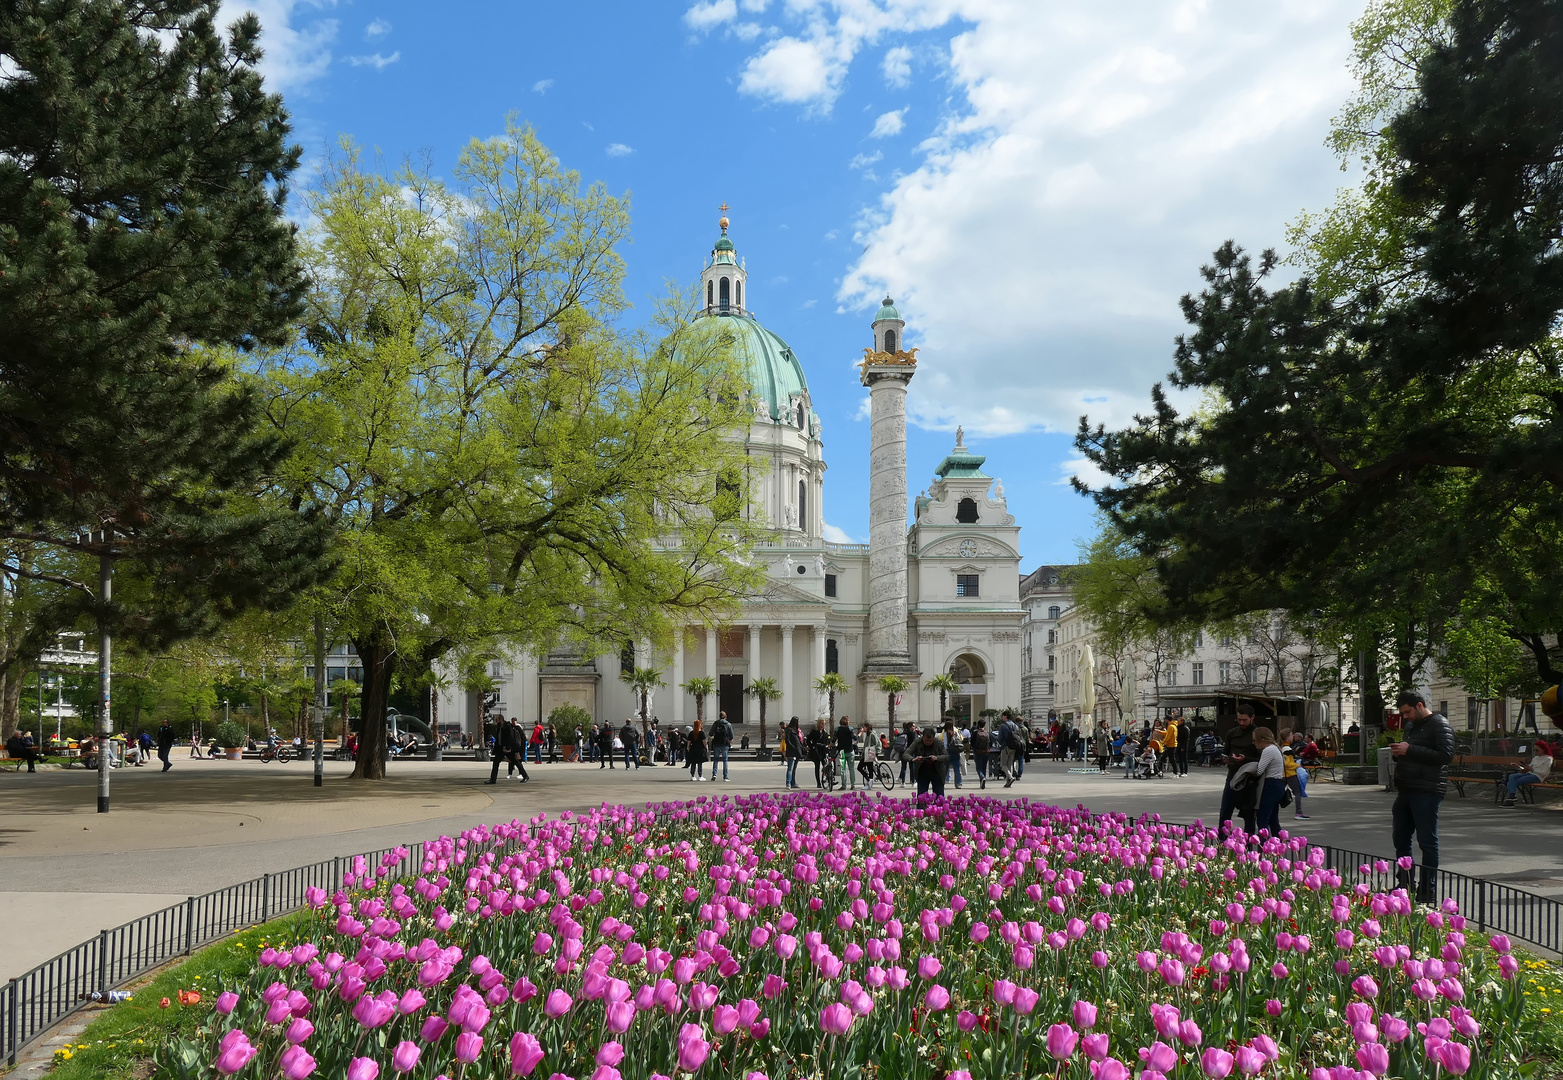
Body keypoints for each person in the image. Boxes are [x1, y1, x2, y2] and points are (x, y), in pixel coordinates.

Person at [1388, 690, 1454, 903]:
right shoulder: (1411, 726)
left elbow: (1445, 755)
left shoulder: (1439, 724)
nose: (1405, 717)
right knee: (1401, 838)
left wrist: (1410, 750)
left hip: (1427, 790)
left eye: (1407, 712)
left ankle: (1427, 891)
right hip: (1406, 789)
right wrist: (1398, 754)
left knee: (1427, 842)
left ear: (1418, 705)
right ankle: (1405, 884)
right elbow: (1411, 752)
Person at [1218, 705, 1260, 834]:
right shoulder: (1232, 733)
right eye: (1239, 719)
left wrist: (1245, 759)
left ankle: (1248, 844)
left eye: (1244, 720)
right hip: (1233, 776)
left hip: (1250, 779)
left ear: (1252, 718)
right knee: (1225, 810)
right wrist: (1227, 759)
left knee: (1248, 813)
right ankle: (1222, 841)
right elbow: (1225, 752)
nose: (1241, 722)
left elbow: (1262, 758)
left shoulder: (1258, 733)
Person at [1253, 727, 1286, 835]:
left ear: (1262, 739)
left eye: (1255, 740)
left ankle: (1264, 846)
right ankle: (1278, 844)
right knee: (1273, 819)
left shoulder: (1268, 750)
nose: (1254, 743)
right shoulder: (1275, 748)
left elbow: (1259, 770)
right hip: (1278, 784)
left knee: (1263, 819)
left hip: (1270, 785)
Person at [1502, 741, 1554, 806]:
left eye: (1537, 750)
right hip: (1529, 774)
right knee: (1512, 776)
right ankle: (1512, 797)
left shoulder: (1548, 759)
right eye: (1534, 750)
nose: (1536, 752)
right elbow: (1526, 769)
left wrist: (1532, 769)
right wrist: (1518, 767)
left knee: (1513, 782)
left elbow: (1544, 773)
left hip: (1537, 777)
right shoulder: (1536, 758)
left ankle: (1511, 798)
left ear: (1543, 749)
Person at [909, 727, 948, 797]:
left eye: (930, 740)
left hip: (937, 771)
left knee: (939, 795)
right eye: (926, 740)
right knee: (921, 795)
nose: (928, 742)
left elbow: (946, 756)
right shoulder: (918, 742)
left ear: (933, 738)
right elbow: (906, 754)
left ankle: (939, 807)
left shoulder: (938, 742)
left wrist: (937, 758)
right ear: (923, 737)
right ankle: (921, 807)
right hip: (922, 771)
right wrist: (913, 759)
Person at [1281, 730, 1309, 819]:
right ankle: (1299, 813)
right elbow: (1287, 764)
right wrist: (1297, 765)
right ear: (1287, 737)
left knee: (1279, 792)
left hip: (1285, 774)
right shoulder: (1287, 749)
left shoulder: (1284, 747)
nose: (1293, 737)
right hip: (1290, 774)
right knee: (1298, 792)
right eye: (1291, 735)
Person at [485, 714, 515, 784]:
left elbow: (510, 737)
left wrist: (508, 747)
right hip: (501, 748)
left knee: (515, 761)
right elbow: (498, 738)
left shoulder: (507, 726)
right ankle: (493, 779)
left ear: (501, 719)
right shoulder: (499, 727)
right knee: (495, 763)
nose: (496, 721)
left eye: (497, 720)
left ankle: (525, 775)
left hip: (506, 748)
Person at [709, 711, 733, 782]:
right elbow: (732, 735)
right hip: (724, 744)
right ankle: (725, 776)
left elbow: (710, 733)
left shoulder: (716, 723)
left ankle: (714, 774)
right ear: (725, 717)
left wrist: (715, 735)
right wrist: (728, 740)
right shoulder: (728, 724)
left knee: (716, 759)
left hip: (716, 743)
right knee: (725, 760)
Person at [834, 716, 857, 790]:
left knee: (843, 769)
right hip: (850, 750)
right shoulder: (850, 729)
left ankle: (844, 785)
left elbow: (834, 739)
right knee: (851, 768)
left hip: (842, 751)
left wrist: (830, 745)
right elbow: (855, 738)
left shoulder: (837, 729)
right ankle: (853, 785)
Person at [807, 719, 831, 788]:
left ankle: (828, 779)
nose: (823, 725)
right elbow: (808, 740)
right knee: (817, 766)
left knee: (825, 765)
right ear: (819, 724)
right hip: (816, 751)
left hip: (823, 751)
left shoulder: (825, 732)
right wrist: (812, 747)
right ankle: (818, 782)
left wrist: (828, 745)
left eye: (825, 724)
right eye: (822, 723)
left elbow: (827, 740)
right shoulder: (814, 731)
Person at [942, 719, 964, 789]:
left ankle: (942, 782)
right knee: (957, 768)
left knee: (945, 768)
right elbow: (961, 739)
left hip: (947, 752)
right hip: (955, 751)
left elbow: (942, 742)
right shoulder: (956, 732)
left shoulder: (944, 733)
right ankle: (958, 783)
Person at [971, 720, 992, 789]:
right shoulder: (987, 733)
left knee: (978, 768)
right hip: (986, 752)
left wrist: (975, 749)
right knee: (984, 767)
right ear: (984, 725)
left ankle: (982, 777)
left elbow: (972, 743)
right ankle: (983, 781)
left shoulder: (975, 733)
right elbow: (990, 743)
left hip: (978, 752)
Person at [782, 717, 803, 789]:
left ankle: (793, 782)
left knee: (794, 768)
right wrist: (793, 747)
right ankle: (788, 782)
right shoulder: (789, 729)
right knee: (790, 768)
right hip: (792, 751)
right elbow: (787, 740)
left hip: (797, 751)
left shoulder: (796, 730)